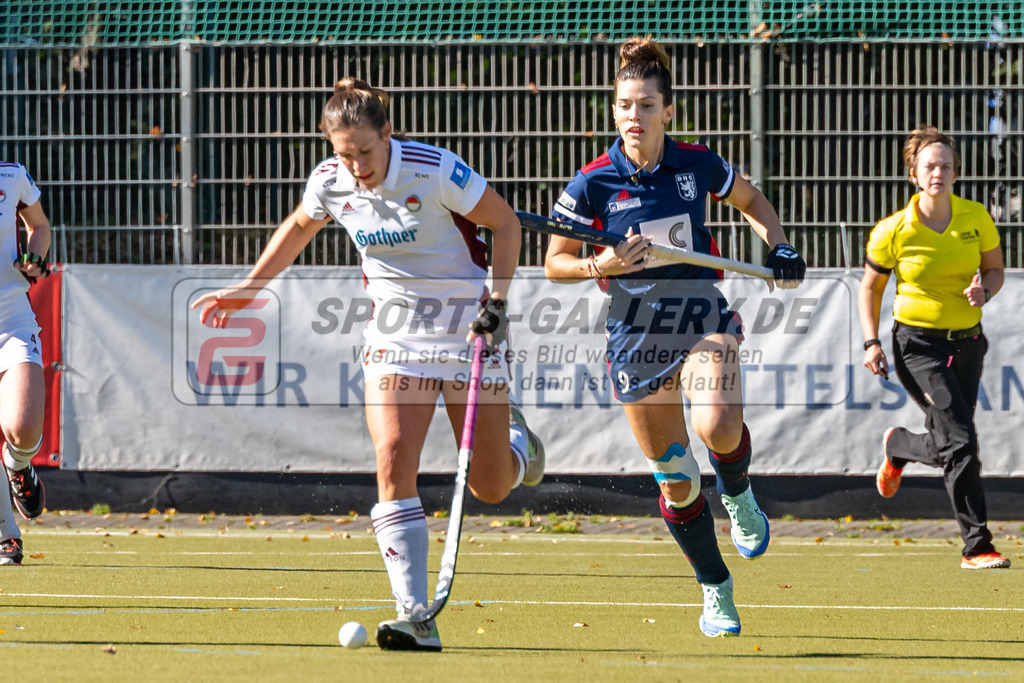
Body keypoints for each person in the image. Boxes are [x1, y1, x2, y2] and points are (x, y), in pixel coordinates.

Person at [191, 78, 544, 652]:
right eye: (342, 153)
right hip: (394, 334)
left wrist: (497, 304)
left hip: (467, 327)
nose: (355, 165)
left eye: (364, 151)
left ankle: (519, 447)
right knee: (391, 459)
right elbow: (301, 225)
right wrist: (251, 287)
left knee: (492, 486)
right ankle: (415, 615)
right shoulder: (330, 182)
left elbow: (505, 223)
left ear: (388, 134)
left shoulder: (435, 170)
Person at [544, 37, 805, 637]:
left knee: (716, 425)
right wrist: (602, 265)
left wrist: (779, 244)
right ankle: (716, 590)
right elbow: (555, 259)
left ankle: (738, 494)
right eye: (624, 105)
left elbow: (751, 199)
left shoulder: (696, 164)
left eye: (646, 105)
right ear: (614, 111)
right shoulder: (591, 184)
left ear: (668, 110)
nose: (634, 117)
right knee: (677, 479)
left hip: (699, 317)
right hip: (635, 335)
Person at [859, 126, 1009, 570]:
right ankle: (977, 545)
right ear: (914, 175)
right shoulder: (893, 230)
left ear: (956, 173)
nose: (938, 172)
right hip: (917, 346)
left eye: (945, 166)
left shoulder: (975, 217)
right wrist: (871, 342)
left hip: (968, 343)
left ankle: (899, 446)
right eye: (930, 166)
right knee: (962, 440)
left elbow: (995, 270)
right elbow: (870, 288)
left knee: (951, 440)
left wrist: (987, 292)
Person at [0, 161, 53, 565]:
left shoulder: (11, 174)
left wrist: (34, 258)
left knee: (23, 425)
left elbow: (40, 227)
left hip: (11, 317)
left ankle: (17, 465)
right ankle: (6, 535)